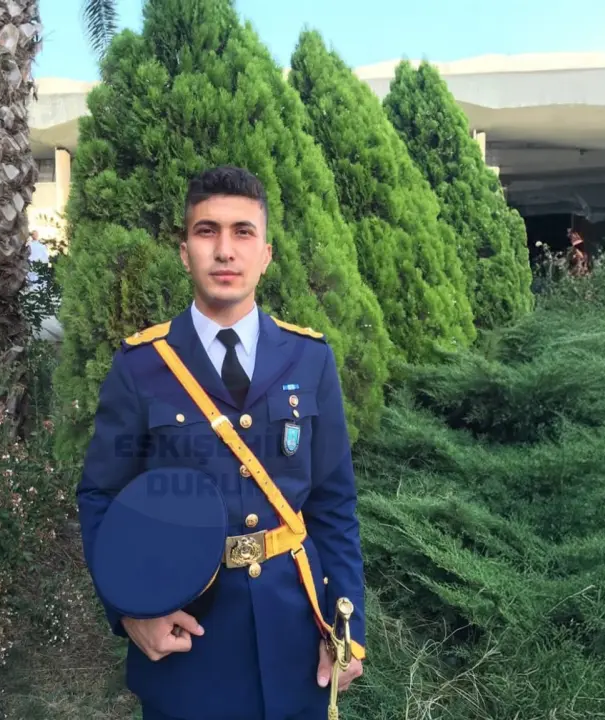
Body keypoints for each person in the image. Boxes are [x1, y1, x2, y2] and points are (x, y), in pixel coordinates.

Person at [76, 165, 366, 720]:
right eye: (207, 231)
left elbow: (334, 504)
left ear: (266, 254)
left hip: (296, 636)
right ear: (185, 252)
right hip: (188, 639)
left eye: (243, 232)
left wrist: (348, 628)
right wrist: (130, 612)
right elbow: (100, 497)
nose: (225, 250)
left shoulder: (309, 359)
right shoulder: (141, 366)